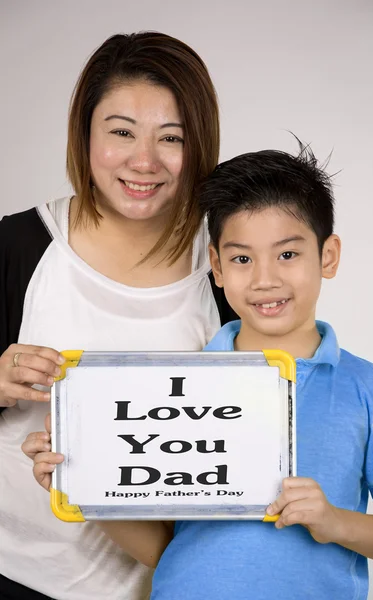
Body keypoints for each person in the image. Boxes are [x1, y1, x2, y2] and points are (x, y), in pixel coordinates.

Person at [26, 144, 373, 599]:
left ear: (328, 256)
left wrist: (335, 521)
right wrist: (83, 481)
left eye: (287, 254)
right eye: (242, 259)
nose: (265, 279)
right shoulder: (175, 387)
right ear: (217, 266)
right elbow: (164, 549)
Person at [0, 31, 236, 600]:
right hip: (12, 570)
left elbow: (286, 402)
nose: (143, 161)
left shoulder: (227, 262)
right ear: (85, 136)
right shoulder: (18, 245)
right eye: (121, 132)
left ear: (199, 145)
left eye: (171, 137)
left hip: (155, 583)